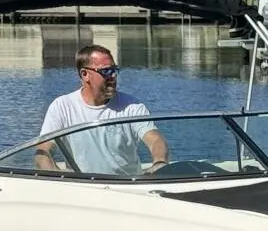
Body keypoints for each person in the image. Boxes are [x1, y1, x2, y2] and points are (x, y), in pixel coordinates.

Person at [34, 44, 169, 175]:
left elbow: (155, 139)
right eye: (106, 71)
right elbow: (43, 150)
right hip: (84, 187)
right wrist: (54, 175)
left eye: (114, 70)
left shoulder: (132, 106)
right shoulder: (62, 107)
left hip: (127, 186)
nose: (113, 76)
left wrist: (159, 162)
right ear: (85, 74)